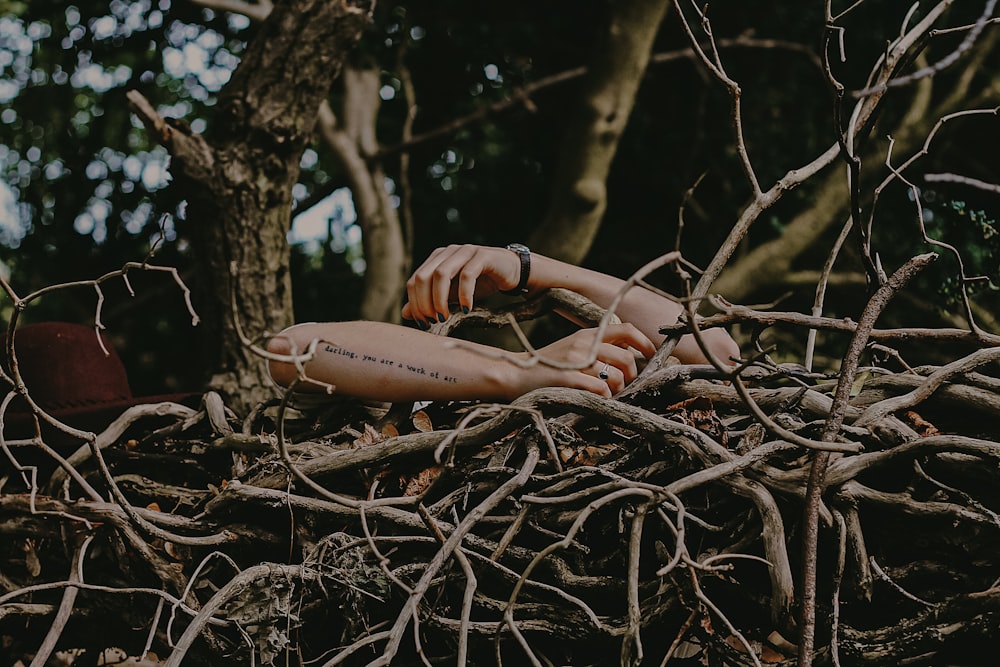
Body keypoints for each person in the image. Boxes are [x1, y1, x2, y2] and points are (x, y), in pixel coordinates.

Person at [266, 244, 740, 402]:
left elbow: (719, 352)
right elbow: (294, 350)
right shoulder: (380, 385)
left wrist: (531, 269)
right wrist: (521, 369)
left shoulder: (599, 370)